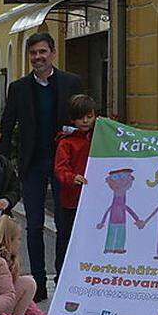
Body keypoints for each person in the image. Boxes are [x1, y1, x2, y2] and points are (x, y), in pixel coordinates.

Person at [0, 32, 83, 302]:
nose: (38, 57)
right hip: (32, 163)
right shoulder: (18, 88)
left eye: (42, 52)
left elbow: (86, 118)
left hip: (64, 162)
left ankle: (62, 278)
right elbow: (7, 126)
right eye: (33, 53)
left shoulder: (72, 82)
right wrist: (3, 165)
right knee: (34, 224)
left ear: (53, 53)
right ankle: (38, 282)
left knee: (64, 222)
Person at [0, 215, 58, 315]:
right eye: (18, 239)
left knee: (27, 283)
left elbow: (20, 297)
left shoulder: (9, 261)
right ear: (9, 240)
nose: (20, 243)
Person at [52, 94, 97, 278]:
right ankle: (62, 275)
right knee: (67, 238)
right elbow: (60, 169)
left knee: (90, 240)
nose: (85, 121)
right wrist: (72, 178)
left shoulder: (99, 137)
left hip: (93, 200)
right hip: (71, 200)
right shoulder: (66, 142)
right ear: (72, 119)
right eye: (81, 117)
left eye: (89, 116)